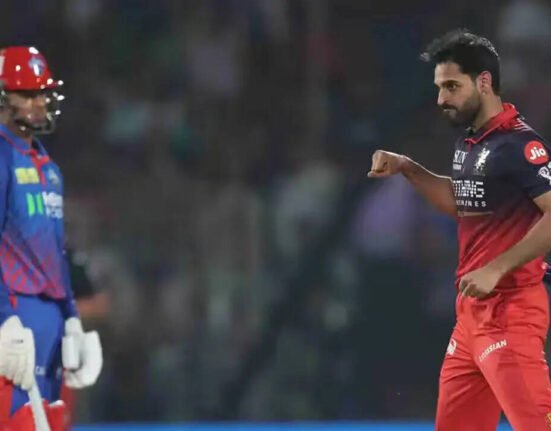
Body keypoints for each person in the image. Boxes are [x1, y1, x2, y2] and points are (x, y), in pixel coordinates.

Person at [368, 29, 551, 430]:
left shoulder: (519, 145)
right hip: (470, 319)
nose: (441, 99)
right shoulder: (471, 144)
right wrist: (406, 167)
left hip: (509, 313)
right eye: (439, 87)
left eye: (451, 86)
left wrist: (496, 268)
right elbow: (461, 202)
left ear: (483, 82)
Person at [0, 46, 102, 430]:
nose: (40, 102)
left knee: (52, 423)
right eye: (28, 94)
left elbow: (55, 256)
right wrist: (4, 320)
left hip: (50, 321)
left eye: (42, 92)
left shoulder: (49, 168)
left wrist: (72, 319)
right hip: (15, 314)